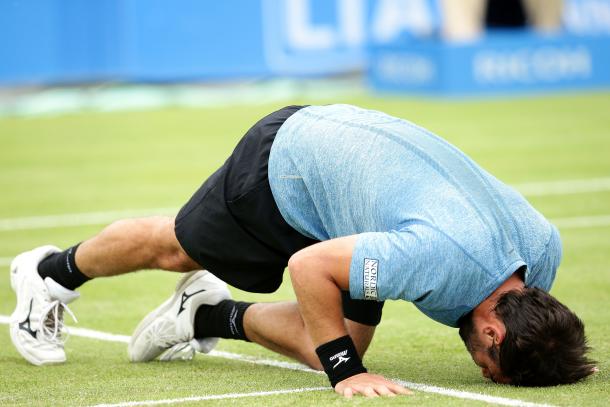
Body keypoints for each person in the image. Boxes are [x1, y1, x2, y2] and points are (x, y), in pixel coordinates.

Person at [9, 104, 595, 397]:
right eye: (492, 371)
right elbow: (308, 266)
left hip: (358, 182)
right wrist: (346, 374)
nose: (482, 373)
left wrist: (559, 358)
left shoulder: (541, 252)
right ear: (493, 333)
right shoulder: (438, 261)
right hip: (291, 165)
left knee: (338, 335)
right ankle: (50, 273)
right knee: (178, 249)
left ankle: (206, 314)